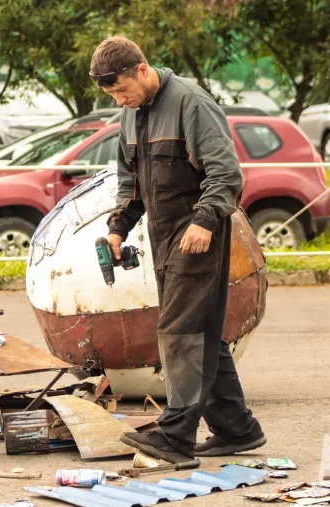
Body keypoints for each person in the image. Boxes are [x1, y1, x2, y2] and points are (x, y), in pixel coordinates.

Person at [90, 36, 266, 465]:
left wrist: (204, 222)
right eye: (112, 94)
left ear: (143, 69)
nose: (121, 100)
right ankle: (236, 428)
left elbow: (226, 173)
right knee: (202, 331)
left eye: (122, 90)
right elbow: (130, 183)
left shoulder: (192, 103)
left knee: (180, 333)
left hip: (198, 234)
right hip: (163, 236)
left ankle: (176, 437)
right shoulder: (131, 115)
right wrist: (118, 230)